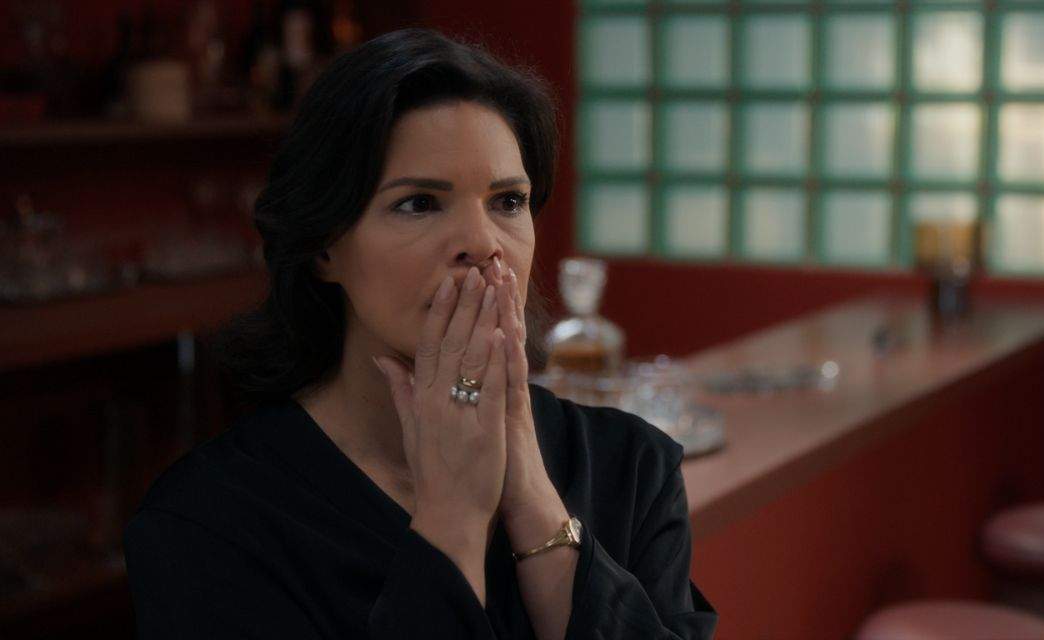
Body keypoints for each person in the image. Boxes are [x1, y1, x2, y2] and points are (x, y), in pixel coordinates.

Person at [122, 28, 717, 639]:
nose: (483, 242)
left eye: (508, 202)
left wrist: (531, 494)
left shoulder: (633, 468)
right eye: (419, 204)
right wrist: (453, 517)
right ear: (325, 245)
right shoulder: (210, 520)